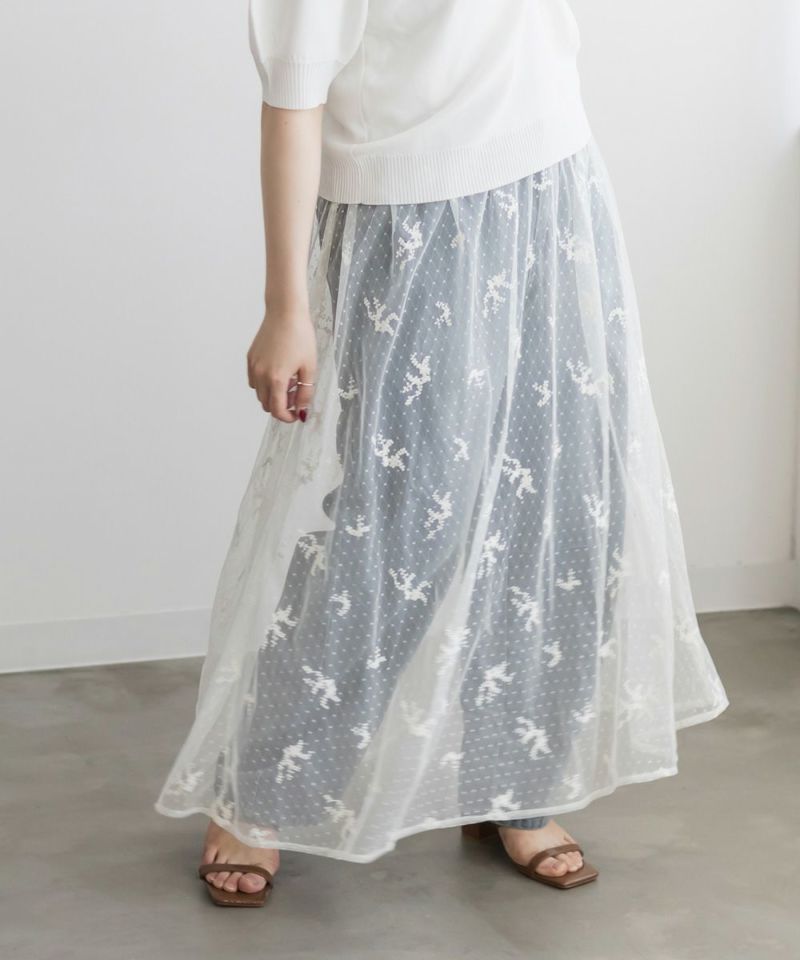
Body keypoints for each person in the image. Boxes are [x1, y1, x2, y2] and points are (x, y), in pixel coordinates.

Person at [155, 0, 730, 906]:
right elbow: (294, 96)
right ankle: (260, 790)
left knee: (559, 498)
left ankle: (515, 776)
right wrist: (286, 306)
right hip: (409, 223)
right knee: (407, 520)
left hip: (554, 185)